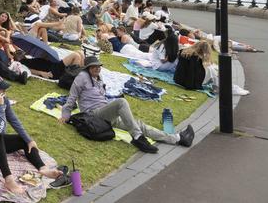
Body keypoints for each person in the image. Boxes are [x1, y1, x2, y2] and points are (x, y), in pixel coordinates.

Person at [59, 56, 195, 153]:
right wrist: (65, 114)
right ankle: (137, 137)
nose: (97, 68)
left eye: (98, 66)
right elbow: (72, 97)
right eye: (93, 67)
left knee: (139, 124)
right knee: (121, 102)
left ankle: (177, 139)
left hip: (105, 114)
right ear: (87, 68)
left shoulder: (98, 78)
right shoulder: (82, 77)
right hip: (93, 114)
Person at [0, 74, 63, 194]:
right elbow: (0, 130)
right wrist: (0, 107)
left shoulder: (3, 100)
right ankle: (9, 180)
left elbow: (14, 120)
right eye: (2, 89)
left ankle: (43, 168)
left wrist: (29, 140)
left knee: (23, 140)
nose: (5, 92)